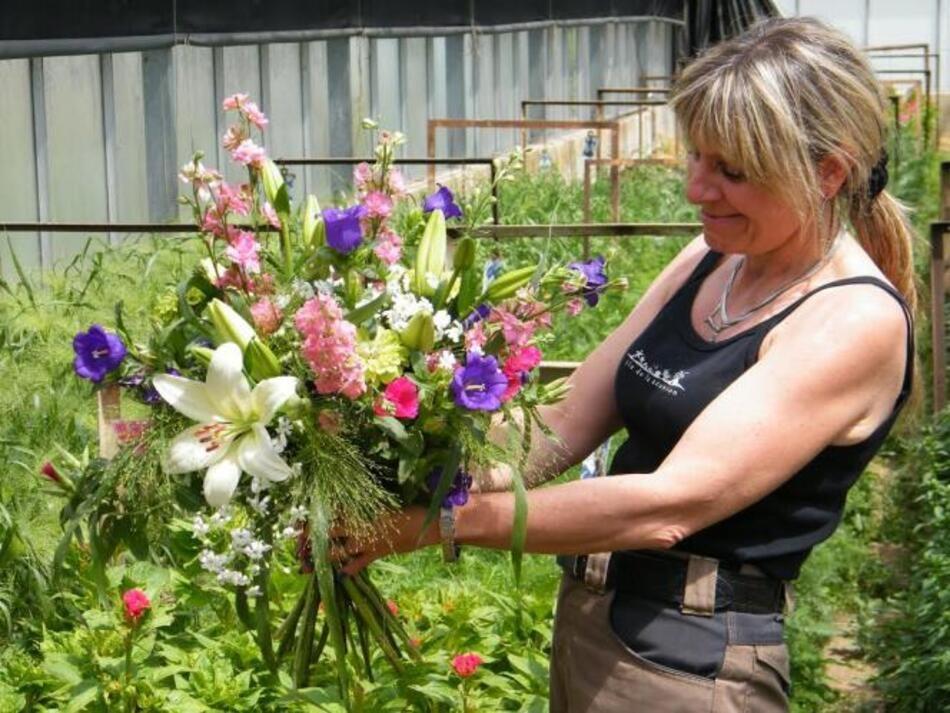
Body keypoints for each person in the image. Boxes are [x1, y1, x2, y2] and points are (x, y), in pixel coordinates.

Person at [338, 17, 916, 712]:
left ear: (828, 173)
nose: (697, 189)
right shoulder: (713, 261)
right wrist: (388, 475)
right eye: (697, 157)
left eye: (732, 171)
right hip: (595, 623)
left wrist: (443, 524)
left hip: (687, 661)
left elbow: (665, 505)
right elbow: (561, 421)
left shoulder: (851, 319)